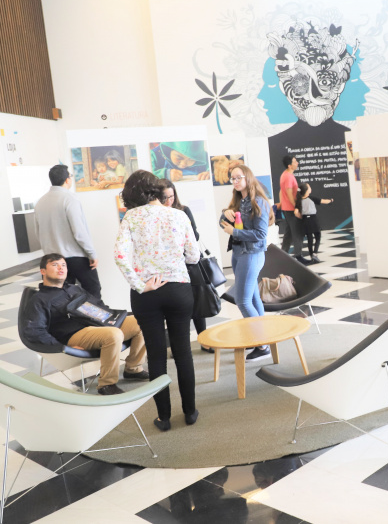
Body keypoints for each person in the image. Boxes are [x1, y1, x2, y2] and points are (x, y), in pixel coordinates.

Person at [115, 170, 200, 431]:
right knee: (183, 351)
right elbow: (194, 256)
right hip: (178, 289)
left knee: (155, 354)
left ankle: (164, 417)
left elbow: (120, 256)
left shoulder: (130, 217)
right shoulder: (178, 215)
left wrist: (141, 284)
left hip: (146, 294)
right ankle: (190, 411)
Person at [21, 254, 148, 395]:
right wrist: (62, 346)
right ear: (43, 271)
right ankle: (107, 384)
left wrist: (112, 317)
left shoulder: (74, 289)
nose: (60, 268)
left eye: (63, 265)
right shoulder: (39, 300)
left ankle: (133, 368)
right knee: (113, 334)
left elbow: (98, 305)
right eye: (55, 265)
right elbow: (34, 330)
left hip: (98, 325)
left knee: (142, 321)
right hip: (74, 335)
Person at [220, 164, 274, 360]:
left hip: (251, 254)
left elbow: (260, 234)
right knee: (253, 298)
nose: (235, 182)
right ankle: (264, 342)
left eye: (238, 178)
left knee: (242, 301)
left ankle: (262, 344)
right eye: (232, 178)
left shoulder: (259, 202)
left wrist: (234, 231)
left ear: (248, 178)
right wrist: (224, 215)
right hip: (238, 253)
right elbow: (225, 223)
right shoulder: (237, 200)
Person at [34, 164, 103, 300]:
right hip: (76, 257)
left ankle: (68, 320)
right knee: (93, 290)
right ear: (67, 180)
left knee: (61, 295)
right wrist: (91, 253)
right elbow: (79, 231)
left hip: (52, 259)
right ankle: (95, 320)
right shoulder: (69, 199)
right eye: (70, 176)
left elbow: (38, 232)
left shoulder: (40, 202)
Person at [160, 179, 212, 354]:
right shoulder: (156, 215)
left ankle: (204, 339)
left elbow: (195, 235)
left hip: (189, 262)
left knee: (197, 301)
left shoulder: (183, 210)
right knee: (176, 307)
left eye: (172, 196)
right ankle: (177, 346)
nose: (169, 201)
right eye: (165, 197)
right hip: (170, 267)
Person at [294, 180, 333, 263]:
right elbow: (323, 201)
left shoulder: (298, 201)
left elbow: (296, 212)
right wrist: (330, 201)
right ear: (307, 191)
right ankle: (315, 253)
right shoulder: (312, 198)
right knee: (318, 236)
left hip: (305, 220)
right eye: (309, 187)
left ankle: (311, 255)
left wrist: (301, 217)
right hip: (313, 219)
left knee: (309, 239)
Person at [277, 154, 307, 263]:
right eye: (295, 161)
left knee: (289, 233)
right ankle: (298, 256)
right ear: (290, 165)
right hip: (291, 208)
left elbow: (281, 191)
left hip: (287, 208)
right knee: (297, 232)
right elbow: (289, 193)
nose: (297, 163)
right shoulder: (289, 176)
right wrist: (296, 207)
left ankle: (283, 254)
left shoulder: (284, 175)